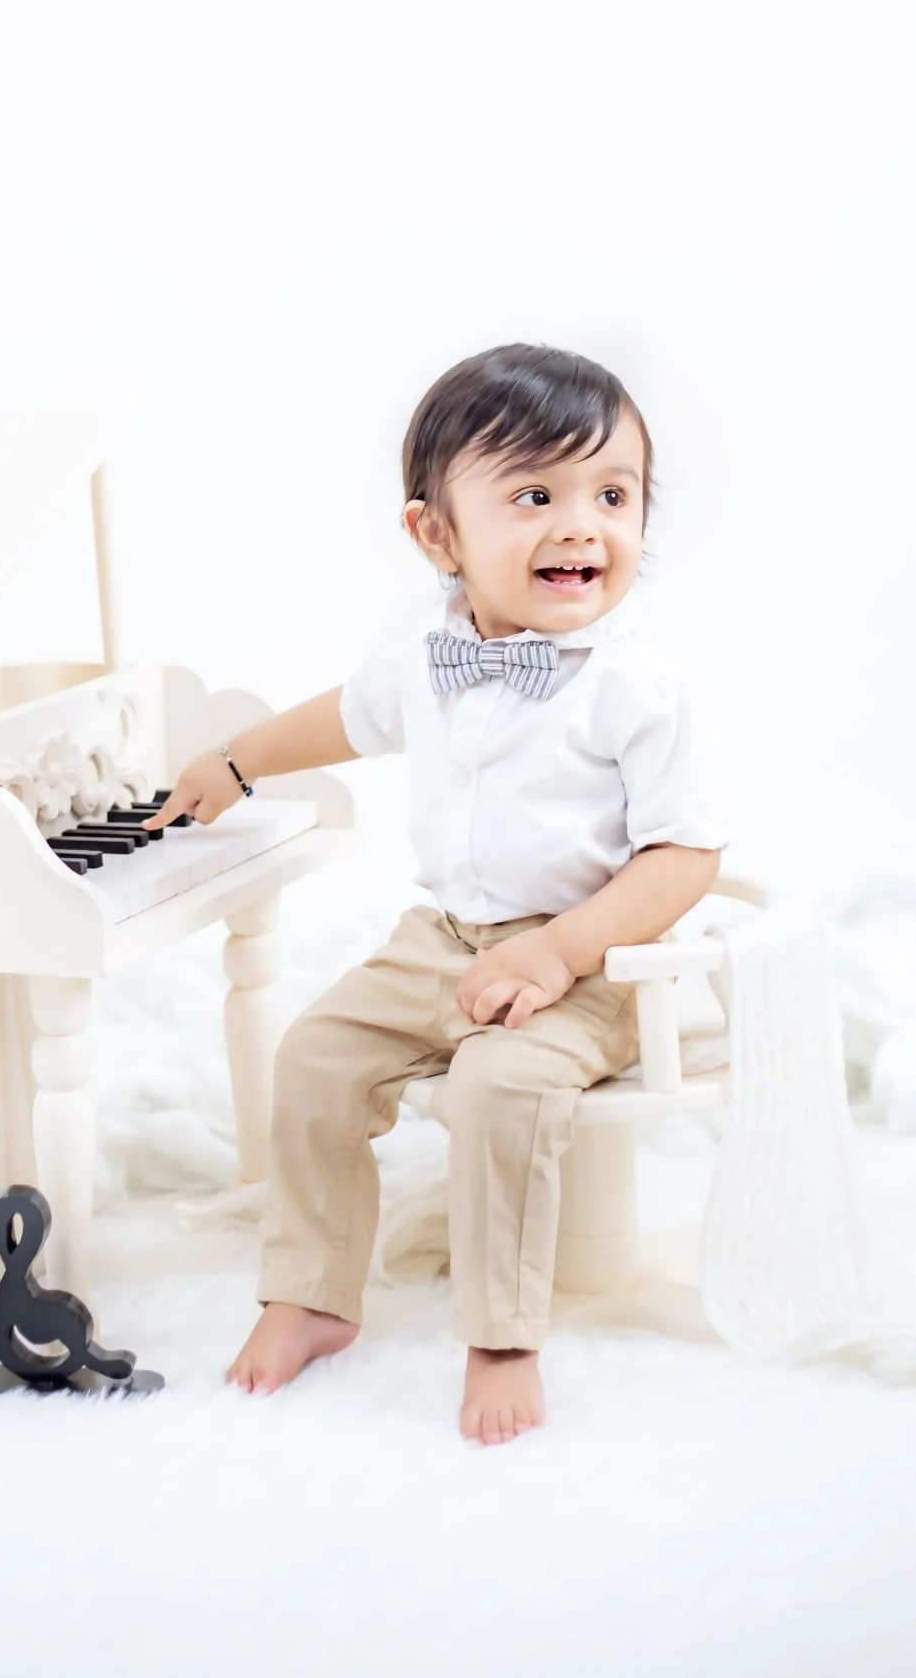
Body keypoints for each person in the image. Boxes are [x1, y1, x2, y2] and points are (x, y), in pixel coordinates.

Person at [148, 341, 730, 1443]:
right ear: (435, 535)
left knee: (498, 1088)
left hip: (596, 958)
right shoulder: (423, 645)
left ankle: (502, 1336)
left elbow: (681, 858)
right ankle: (310, 1295)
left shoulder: (643, 687)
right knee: (314, 1056)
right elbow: (350, 717)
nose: (579, 524)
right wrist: (236, 762)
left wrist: (558, 953)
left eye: (612, 494)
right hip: (445, 938)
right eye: (532, 494)